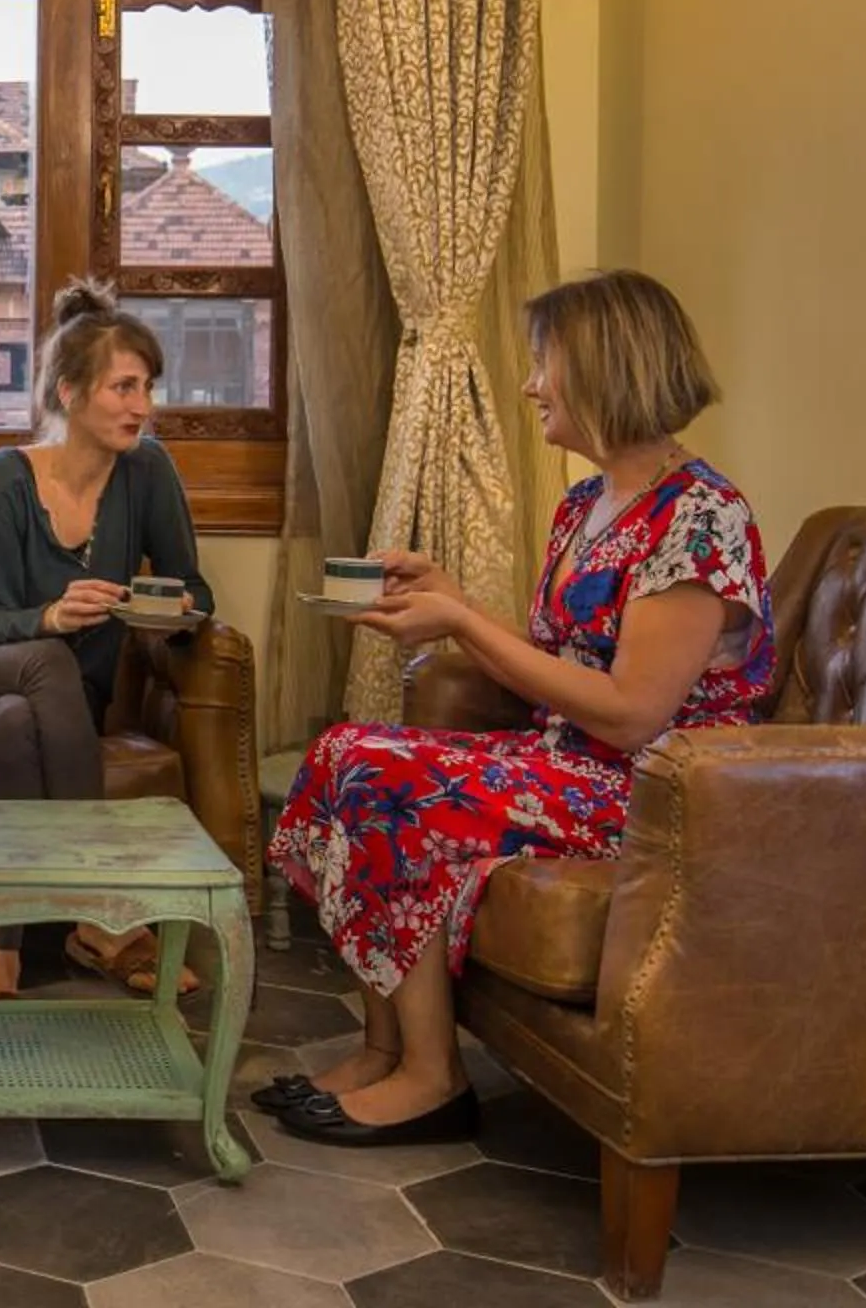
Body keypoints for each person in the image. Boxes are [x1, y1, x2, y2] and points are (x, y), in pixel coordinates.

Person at [261, 269, 774, 1146]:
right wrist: (453, 598)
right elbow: (559, 663)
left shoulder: (700, 518)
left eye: (545, 363)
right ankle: (384, 1047)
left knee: (390, 778)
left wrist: (460, 621)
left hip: (654, 793)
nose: (532, 383)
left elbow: (631, 715)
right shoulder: (587, 503)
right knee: (344, 750)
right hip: (572, 762)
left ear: (609, 367)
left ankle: (433, 1077)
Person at [0, 277, 214, 1002]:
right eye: (124, 388)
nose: (143, 407)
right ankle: (101, 913)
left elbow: (195, 592)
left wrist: (151, 606)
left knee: (15, 722)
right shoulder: (2, 479)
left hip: (56, 698)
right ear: (69, 394)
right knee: (41, 665)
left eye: (148, 388)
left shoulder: (148, 471)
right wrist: (54, 616)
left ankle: (0, 948)